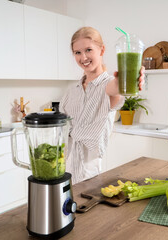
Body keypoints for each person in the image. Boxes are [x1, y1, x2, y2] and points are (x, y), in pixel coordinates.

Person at [60, 26, 145, 184]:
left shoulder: (107, 85)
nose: (83, 57)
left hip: (88, 173)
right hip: (64, 169)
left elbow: (117, 87)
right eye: (77, 52)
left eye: (88, 50)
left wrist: (130, 77)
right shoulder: (71, 92)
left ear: (102, 50)